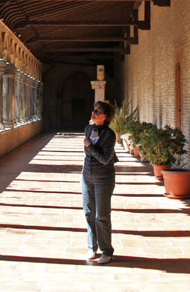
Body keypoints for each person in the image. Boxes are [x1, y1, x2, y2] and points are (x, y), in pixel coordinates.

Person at [82, 101, 118, 264]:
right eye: (93, 110)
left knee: (101, 215)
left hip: (103, 178)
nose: (93, 113)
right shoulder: (89, 129)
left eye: (98, 111)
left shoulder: (110, 135)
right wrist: (90, 148)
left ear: (106, 116)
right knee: (89, 212)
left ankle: (107, 251)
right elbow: (89, 154)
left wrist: (89, 146)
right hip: (87, 175)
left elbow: (104, 159)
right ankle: (92, 247)